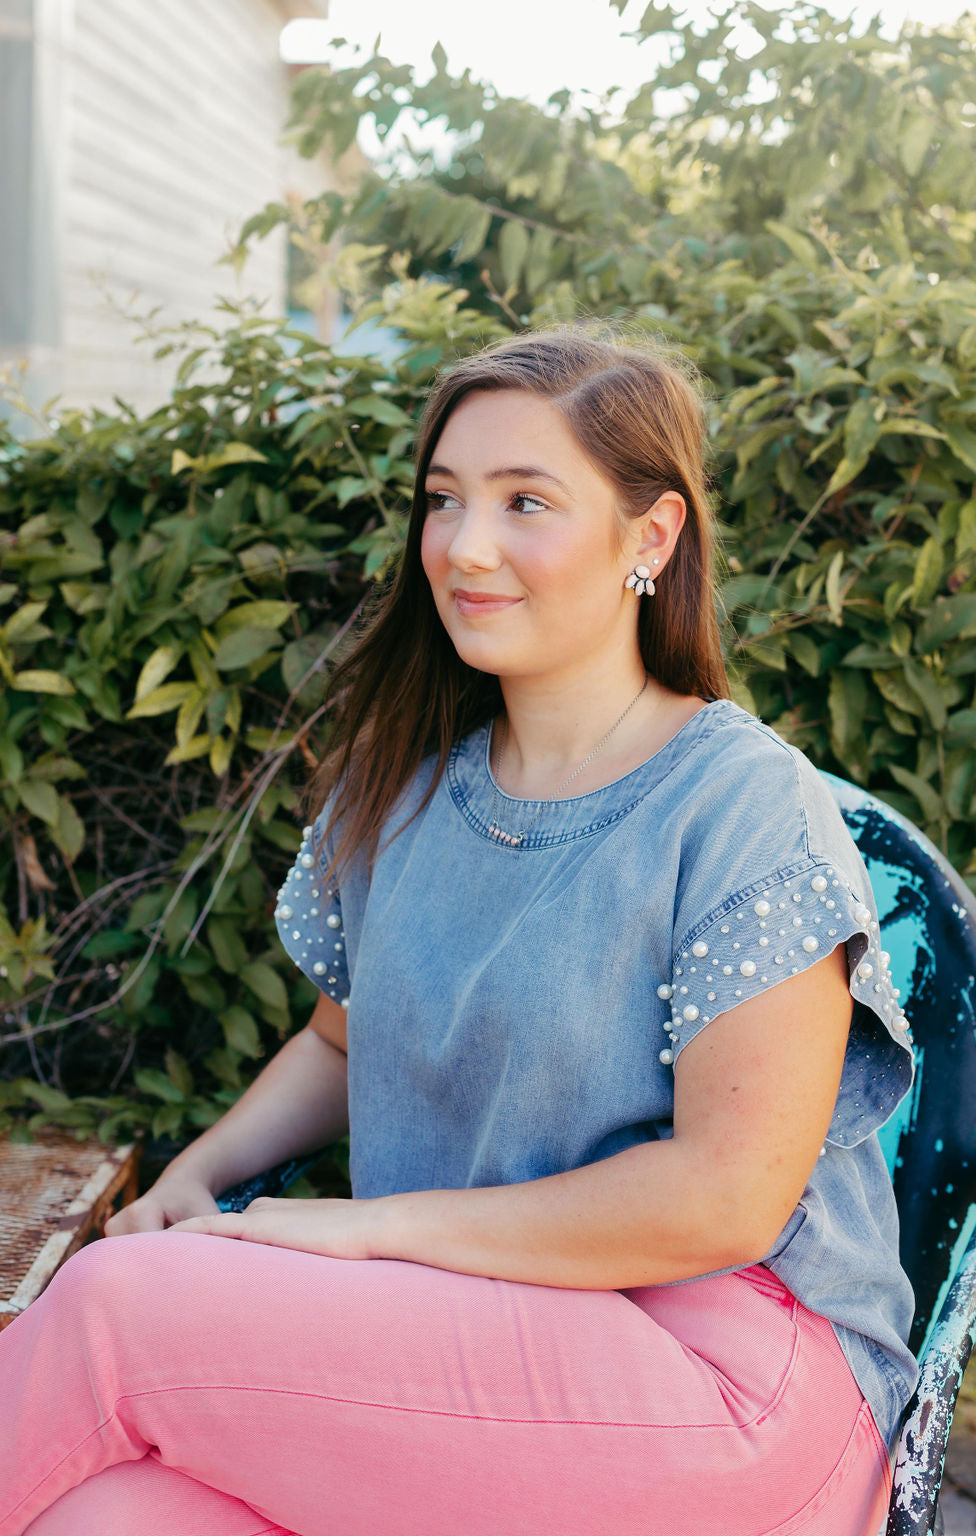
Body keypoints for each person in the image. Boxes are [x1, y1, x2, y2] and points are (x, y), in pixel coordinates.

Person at [0, 325, 918, 1536]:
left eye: (525, 501)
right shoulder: (408, 791)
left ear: (650, 538)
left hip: (726, 1395)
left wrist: (366, 1233)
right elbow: (341, 1044)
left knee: (115, 1309)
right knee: (107, 1518)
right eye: (444, 500)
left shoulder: (743, 808)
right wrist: (200, 1174)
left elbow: (724, 1201)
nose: (464, 548)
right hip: (474, 1356)